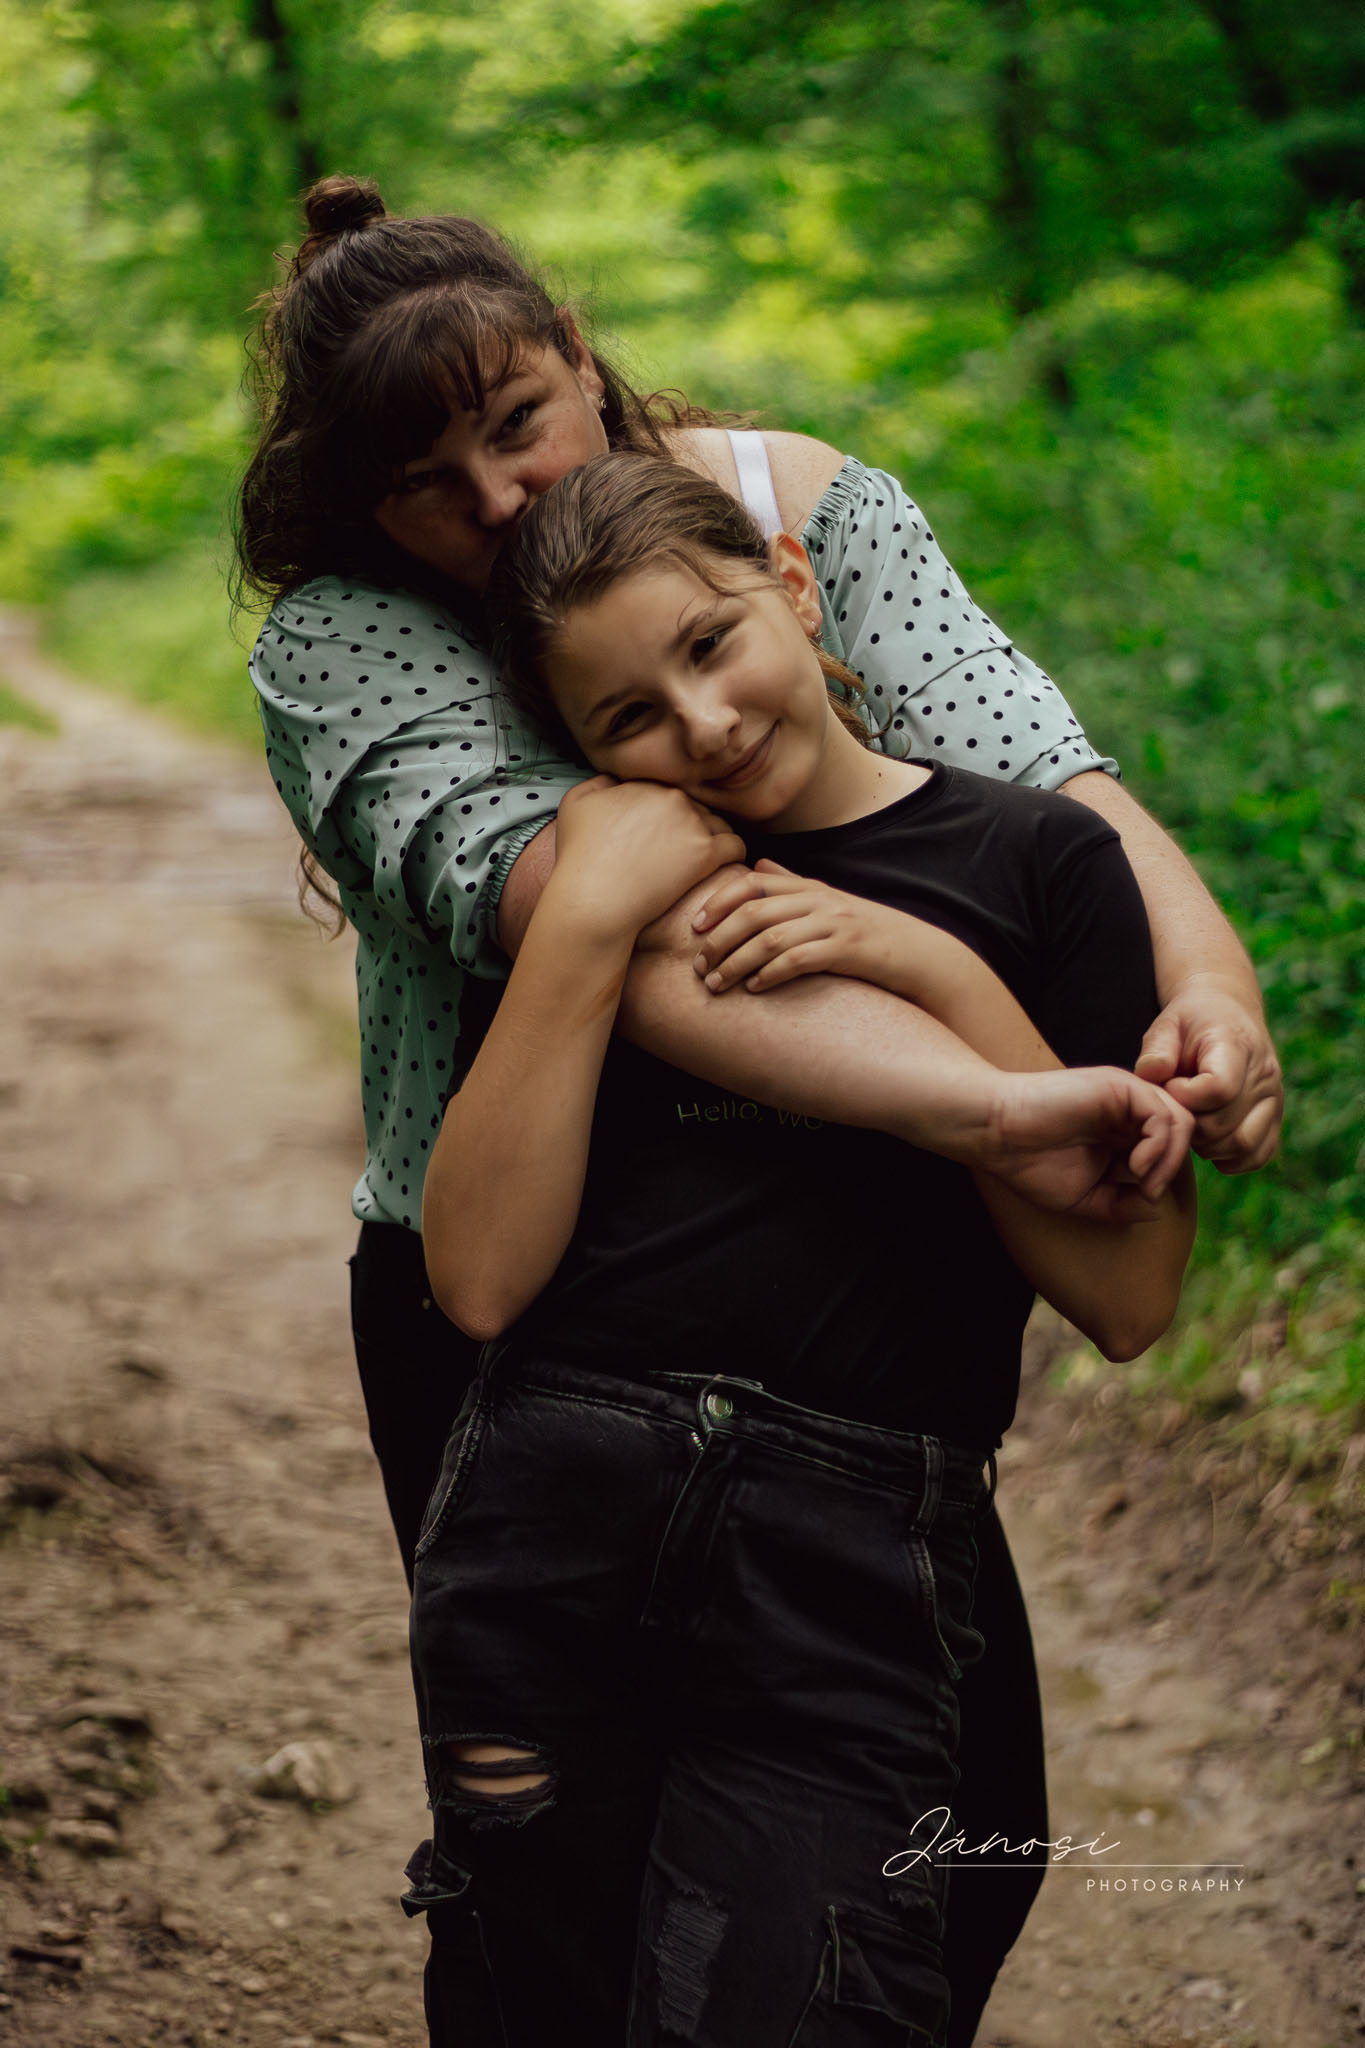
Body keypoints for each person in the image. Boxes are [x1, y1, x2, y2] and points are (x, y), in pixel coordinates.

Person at [235, 174, 1279, 2041]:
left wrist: (1205, 988)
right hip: (525, 1309)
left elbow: (1049, 780)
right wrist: (990, 1095)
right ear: (357, 509)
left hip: (853, 1321)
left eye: (517, 427)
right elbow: (627, 920)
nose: (496, 505)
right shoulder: (348, 638)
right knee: (565, 1877)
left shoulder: (791, 504)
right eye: (423, 485)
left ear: (581, 362)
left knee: (951, 1835)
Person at [404, 449, 1197, 2047]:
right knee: (530, 1993)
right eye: (626, 714)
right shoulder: (609, 874)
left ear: (791, 580)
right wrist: (579, 921)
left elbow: (1128, 1296)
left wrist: (927, 968)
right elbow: (480, 1277)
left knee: (806, 1994)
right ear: (578, 746)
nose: (697, 727)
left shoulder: (1039, 865)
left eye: (708, 645)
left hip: (849, 1561)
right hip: (561, 1513)